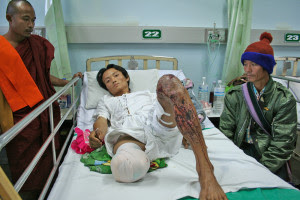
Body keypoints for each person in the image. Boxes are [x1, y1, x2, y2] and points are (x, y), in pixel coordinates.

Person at [89, 64, 228, 200]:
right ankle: (137, 157)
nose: (113, 80)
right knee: (124, 167)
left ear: (126, 77)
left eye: (116, 75)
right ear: (106, 87)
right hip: (129, 135)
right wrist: (97, 133)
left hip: (157, 125)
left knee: (169, 83)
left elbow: (168, 108)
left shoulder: (148, 94)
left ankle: (205, 170)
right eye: (107, 80)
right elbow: (101, 120)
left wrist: (184, 128)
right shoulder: (106, 101)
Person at [0, 0, 82, 198]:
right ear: (10, 18)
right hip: (18, 116)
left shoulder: (37, 45)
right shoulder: (1, 50)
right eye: (26, 19)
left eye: (34, 20)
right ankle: (26, 192)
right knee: (23, 157)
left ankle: (50, 189)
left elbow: (43, 77)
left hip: (44, 110)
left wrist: (65, 82)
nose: (31, 25)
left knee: (48, 154)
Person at [219, 32, 297, 181]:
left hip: (269, 156)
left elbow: (282, 144)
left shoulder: (283, 100)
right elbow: (226, 132)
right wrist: (228, 160)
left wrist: (261, 170)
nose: (247, 70)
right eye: (245, 64)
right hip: (239, 152)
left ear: (266, 67)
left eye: (253, 64)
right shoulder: (235, 95)